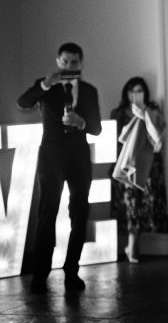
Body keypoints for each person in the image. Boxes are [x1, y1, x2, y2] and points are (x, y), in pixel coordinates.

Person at [17, 42, 102, 294]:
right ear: (57, 61)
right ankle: (40, 275)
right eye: (64, 62)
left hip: (78, 156)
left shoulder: (88, 90)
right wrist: (44, 84)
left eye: (74, 62)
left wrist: (81, 121)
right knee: (47, 213)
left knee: (79, 211)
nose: (68, 67)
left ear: (81, 64)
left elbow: (96, 128)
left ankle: (71, 271)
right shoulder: (46, 87)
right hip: (51, 156)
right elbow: (23, 102)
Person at [110, 77, 168, 263]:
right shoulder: (119, 113)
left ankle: (134, 245)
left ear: (145, 93)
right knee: (130, 205)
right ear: (126, 93)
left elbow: (158, 139)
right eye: (132, 91)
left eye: (139, 91)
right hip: (127, 163)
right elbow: (116, 139)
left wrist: (144, 115)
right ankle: (131, 245)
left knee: (146, 204)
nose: (135, 95)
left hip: (149, 163)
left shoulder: (153, 111)